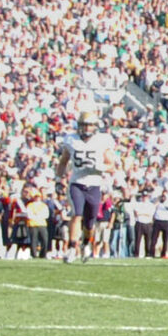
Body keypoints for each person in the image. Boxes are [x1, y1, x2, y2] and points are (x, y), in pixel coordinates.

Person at [56, 107, 114, 261]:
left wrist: (100, 167)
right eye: (84, 125)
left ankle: (86, 243)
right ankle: (71, 248)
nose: (87, 128)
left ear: (95, 126)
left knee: (90, 222)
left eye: (90, 125)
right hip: (77, 183)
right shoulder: (71, 140)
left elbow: (112, 165)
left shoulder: (102, 140)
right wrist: (58, 178)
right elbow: (63, 162)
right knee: (76, 214)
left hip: (94, 185)